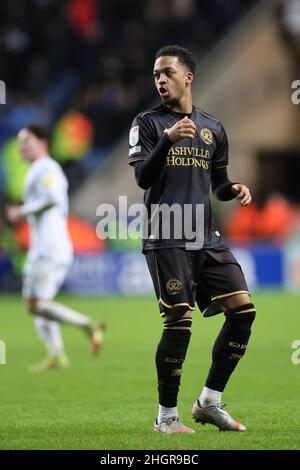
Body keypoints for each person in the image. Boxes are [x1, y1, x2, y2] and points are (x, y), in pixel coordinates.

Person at [128, 45, 255, 434]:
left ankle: (209, 402)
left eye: (167, 72)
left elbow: (216, 182)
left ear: (188, 76)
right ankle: (166, 417)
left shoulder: (212, 128)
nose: (160, 80)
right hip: (166, 234)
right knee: (179, 321)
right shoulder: (147, 123)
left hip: (206, 235)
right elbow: (142, 179)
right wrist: (166, 140)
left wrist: (231, 187)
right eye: (155, 75)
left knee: (243, 312)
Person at [6, 124, 105, 372]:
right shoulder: (37, 169)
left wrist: (22, 211)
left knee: (36, 303)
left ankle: (88, 325)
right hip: (41, 247)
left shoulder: (47, 168)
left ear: (42, 142)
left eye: (26, 141)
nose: (22, 147)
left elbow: (52, 198)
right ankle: (56, 354)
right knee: (37, 302)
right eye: (20, 143)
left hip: (50, 248)